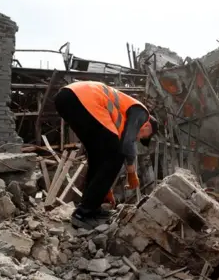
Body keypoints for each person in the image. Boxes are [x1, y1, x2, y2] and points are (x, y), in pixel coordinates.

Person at [54, 80, 159, 229]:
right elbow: (127, 143)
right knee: (117, 154)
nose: (138, 138)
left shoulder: (121, 116)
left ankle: (90, 207)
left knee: (97, 157)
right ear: (147, 125)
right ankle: (84, 212)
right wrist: (131, 172)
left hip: (66, 98)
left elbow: (102, 162)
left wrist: (103, 189)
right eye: (143, 136)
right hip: (82, 99)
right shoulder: (141, 112)